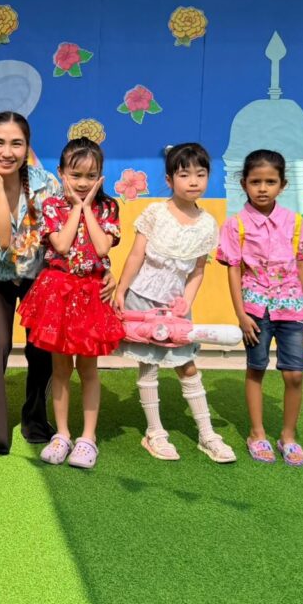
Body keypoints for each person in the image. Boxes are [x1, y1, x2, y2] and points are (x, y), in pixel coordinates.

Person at [115, 143, 236, 464]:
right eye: (184, 174)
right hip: (142, 300)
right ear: (169, 180)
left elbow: (198, 270)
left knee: (187, 364)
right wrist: (120, 290)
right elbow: (136, 255)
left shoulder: (208, 224)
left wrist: (187, 301)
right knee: (148, 365)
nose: (193, 181)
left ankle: (207, 434)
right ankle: (155, 432)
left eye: (200, 174)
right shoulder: (155, 213)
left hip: (176, 308)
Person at [19, 138, 124, 469]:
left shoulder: (108, 208)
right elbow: (62, 245)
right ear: (61, 173)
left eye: (91, 176)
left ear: (101, 176)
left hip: (92, 293)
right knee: (61, 370)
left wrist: (88, 208)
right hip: (58, 293)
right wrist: (77, 208)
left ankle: (88, 438)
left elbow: (102, 248)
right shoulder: (51, 206)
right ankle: (62, 434)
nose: (82, 182)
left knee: (88, 370)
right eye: (75, 175)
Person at [216, 149, 303, 467]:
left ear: (282, 185)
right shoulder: (235, 225)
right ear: (244, 183)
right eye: (255, 181)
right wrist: (241, 314)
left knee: (294, 374)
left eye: (270, 182)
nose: (262, 188)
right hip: (256, 311)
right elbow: (233, 270)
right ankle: (257, 433)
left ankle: (288, 436)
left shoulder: (295, 222)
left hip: (291, 308)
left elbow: (301, 265)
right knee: (256, 368)